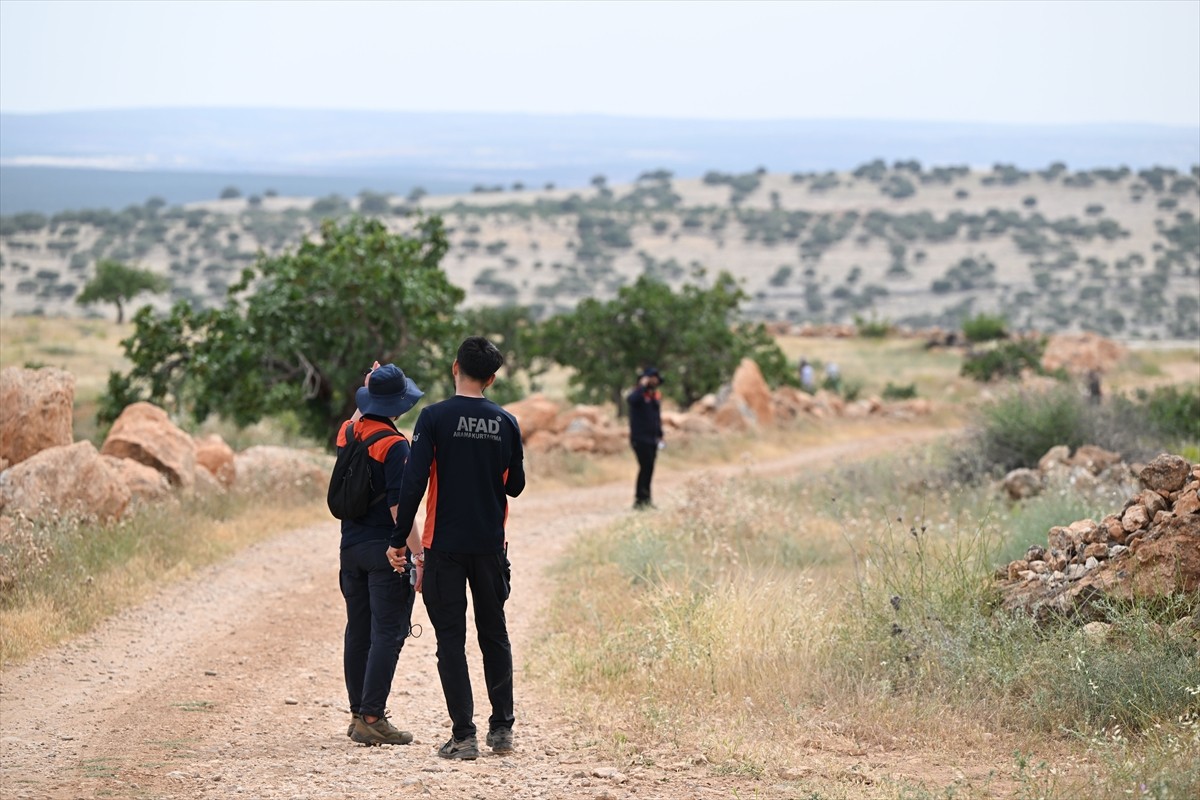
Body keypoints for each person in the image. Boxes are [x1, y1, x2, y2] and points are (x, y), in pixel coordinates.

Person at [390, 336, 526, 761]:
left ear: (454, 368)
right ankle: (502, 730)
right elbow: (516, 486)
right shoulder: (506, 422)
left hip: (444, 545)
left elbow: (413, 484)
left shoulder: (432, 418)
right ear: (491, 378)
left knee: (450, 640)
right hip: (489, 545)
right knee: (494, 634)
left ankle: (463, 737)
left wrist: (398, 541)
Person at [337, 362, 425, 746]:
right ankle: (373, 718)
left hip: (350, 549)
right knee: (387, 633)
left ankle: (359, 713)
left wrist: (369, 385)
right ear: (400, 405)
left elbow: (360, 413)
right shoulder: (395, 445)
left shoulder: (349, 432)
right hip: (384, 552)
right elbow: (398, 509)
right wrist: (418, 556)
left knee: (358, 631)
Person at [627, 366, 664, 510]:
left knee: (649, 468)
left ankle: (646, 499)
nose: (654, 381)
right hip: (639, 438)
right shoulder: (638, 395)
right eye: (652, 377)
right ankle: (640, 499)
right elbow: (631, 400)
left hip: (652, 439)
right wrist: (642, 385)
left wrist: (660, 435)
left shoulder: (653, 397)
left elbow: (656, 418)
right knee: (644, 467)